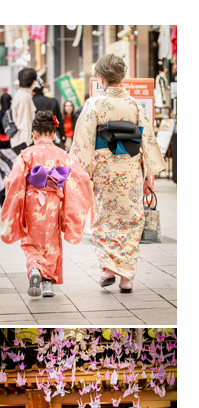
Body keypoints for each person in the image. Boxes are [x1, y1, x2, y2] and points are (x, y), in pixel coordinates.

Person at [70, 53, 166, 292]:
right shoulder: (133, 104)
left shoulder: (95, 104)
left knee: (104, 219)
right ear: (121, 77)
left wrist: (85, 171)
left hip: (105, 171)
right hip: (131, 170)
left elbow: (84, 142)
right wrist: (148, 177)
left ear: (100, 77)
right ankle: (126, 278)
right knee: (131, 220)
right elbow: (147, 140)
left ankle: (107, 269)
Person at [0, 110, 93, 298]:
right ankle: (48, 283)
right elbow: (81, 178)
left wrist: (7, 184)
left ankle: (34, 268)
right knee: (51, 241)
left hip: (31, 200)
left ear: (33, 134)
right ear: (53, 134)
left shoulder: (26, 154)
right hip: (52, 201)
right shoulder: (62, 155)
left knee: (29, 240)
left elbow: (15, 180)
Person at [0, 93, 17, 211]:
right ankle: (9, 198)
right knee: (14, 171)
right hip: (13, 146)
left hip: (0, 147)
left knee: (3, 173)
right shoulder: (14, 115)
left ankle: (3, 197)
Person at [10, 68, 37, 155]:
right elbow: (25, 122)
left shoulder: (19, 94)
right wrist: (29, 142)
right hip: (23, 142)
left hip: (18, 141)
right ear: (33, 82)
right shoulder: (25, 97)